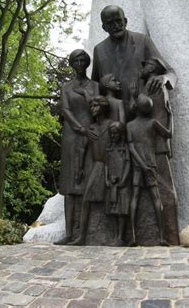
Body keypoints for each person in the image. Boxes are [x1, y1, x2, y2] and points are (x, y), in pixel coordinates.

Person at [91, 5, 177, 120]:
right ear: (104, 27)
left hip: (143, 113)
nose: (116, 26)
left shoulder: (142, 40)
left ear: (125, 21)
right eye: (110, 23)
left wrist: (164, 78)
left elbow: (170, 73)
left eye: (118, 21)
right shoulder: (99, 50)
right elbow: (95, 86)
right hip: (115, 119)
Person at [55, 49, 99, 245]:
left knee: (87, 184)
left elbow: (98, 107)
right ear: (72, 64)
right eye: (76, 60)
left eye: (83, 60)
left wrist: (87, 96)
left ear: (87, 62)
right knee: (69, 186)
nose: (80, 63)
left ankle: (85, 233)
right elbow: (65, 109)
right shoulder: (66, 87)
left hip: (91, 136)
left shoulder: (95, 86)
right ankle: (69, 233)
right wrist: (80, 128)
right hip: (73, 136)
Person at [127, 94, 171, 247]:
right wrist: (170, 115)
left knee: (135, 198)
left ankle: (133, 236)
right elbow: (169, 133)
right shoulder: (153, 123)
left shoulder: (130, 125)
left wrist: (142, 166)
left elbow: (131, 148)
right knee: (156, 199)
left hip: (138, 166)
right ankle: (161, 237)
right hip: (150, 165)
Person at [69, 96, 112, 246]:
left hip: (111, 166)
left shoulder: (112, 125)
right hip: (97, 166)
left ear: (103, 107)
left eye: (95, 106)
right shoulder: (92, 128)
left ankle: (118, 235)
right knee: (87, 199)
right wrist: (79, 167)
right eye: (91, 106)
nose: (92, 109)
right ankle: (82, 237)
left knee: (113, 199)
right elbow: (82, 148)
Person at [105, 122, 131, 246]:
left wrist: (124, 180)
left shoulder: (124, 149)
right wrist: (106, 178)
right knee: (113, 210)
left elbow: (127, 164)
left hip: (122, 183)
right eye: (112, 133)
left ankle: (121, 236)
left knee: (122, 210)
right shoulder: (109, 148)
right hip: (111, 182)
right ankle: (115, 235)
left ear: (121, 134)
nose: (113, 135)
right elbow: (106, 165)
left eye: (116, 133)